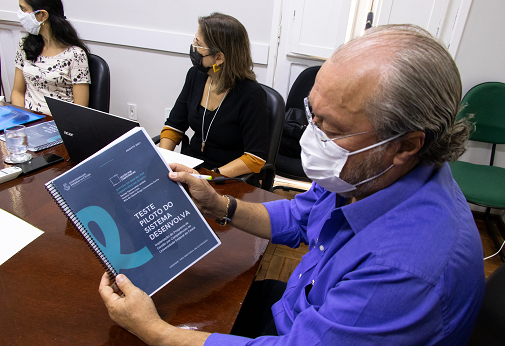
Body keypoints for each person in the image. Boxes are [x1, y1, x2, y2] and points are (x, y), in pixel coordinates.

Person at [99, 24, 485, 345]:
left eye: (330, 129)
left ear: (404, 145)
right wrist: (220, 205)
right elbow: (300, 215)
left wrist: (156, 332)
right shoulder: (371, 173)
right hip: (303, 302)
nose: (310, 136)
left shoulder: (404, 270)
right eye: (311, 114)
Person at [159, 13, 269, 178]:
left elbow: (255, 158)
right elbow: (174, 127)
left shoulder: (251, 95)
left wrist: (209, 176)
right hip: (190, 167)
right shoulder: (195, 76)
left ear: (219, 58)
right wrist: (161, 160)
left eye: (199, 44)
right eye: (195, 41)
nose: (194, 47)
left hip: (225, 177)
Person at [11, 0, 90, 115]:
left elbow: (80, 110)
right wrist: (22, 119)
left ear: (43, 15)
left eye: (23, 9)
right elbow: (17, 91)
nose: (20, 14)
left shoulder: (75, 55)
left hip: (58, 124)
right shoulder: (24, 45)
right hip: (28, 120)